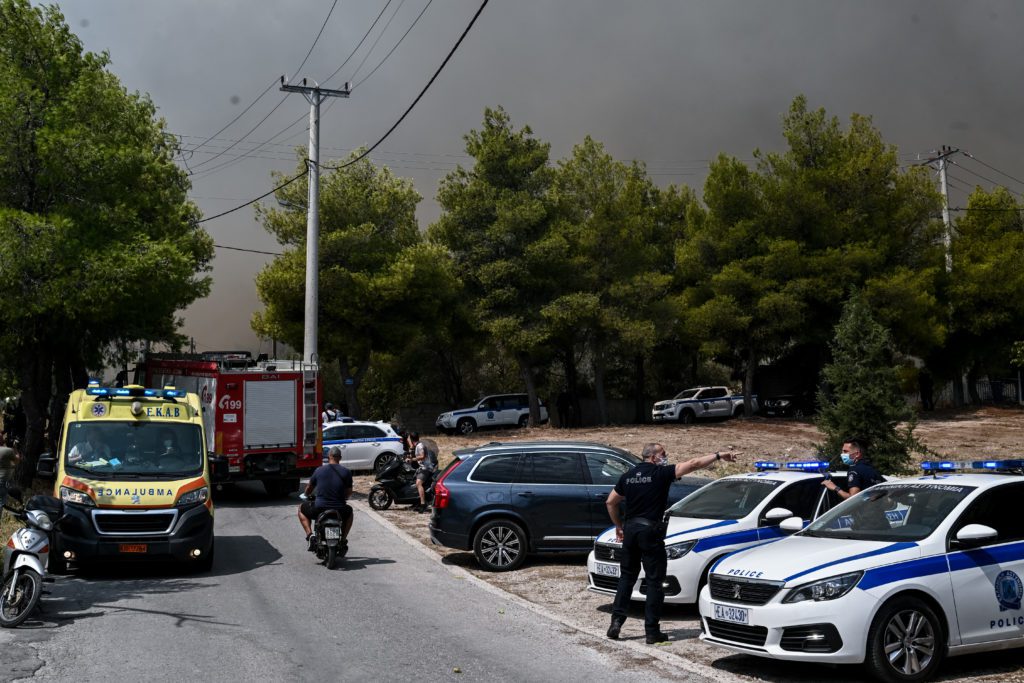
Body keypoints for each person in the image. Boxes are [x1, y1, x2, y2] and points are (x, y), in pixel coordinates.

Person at [605, 443, 738, 644]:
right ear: (653, 457)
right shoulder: (661, 473)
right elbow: (693, 464)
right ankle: (652, 631)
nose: (666, 457)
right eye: (663, 454)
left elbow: (610, 502)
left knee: (626, 578)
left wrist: (619, 526)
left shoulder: (628, 476)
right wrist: (719, 455)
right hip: (650, 531)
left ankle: (616, 623)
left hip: (631, 530)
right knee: (654, 582)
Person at [299, 446, 354, 551]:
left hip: (320, 508)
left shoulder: (319, 470)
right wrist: (344, 497)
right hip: (340, 509)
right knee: (350, 513)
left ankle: (310, 535)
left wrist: (306, 494)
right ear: (340, 458)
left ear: (329, 456)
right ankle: (343, 539)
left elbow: (309, 488)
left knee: (301, 508)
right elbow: (349, 492)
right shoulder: (346, 472)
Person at [408, 432, 437, 513]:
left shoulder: (420, 446)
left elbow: (422, 456)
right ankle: (416, 502)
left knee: (418, 483)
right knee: (413, 481)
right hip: (422, 467)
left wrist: (412, 459)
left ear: (411, 439)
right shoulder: (416, 445)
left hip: (426, 468)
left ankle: (423, 504)